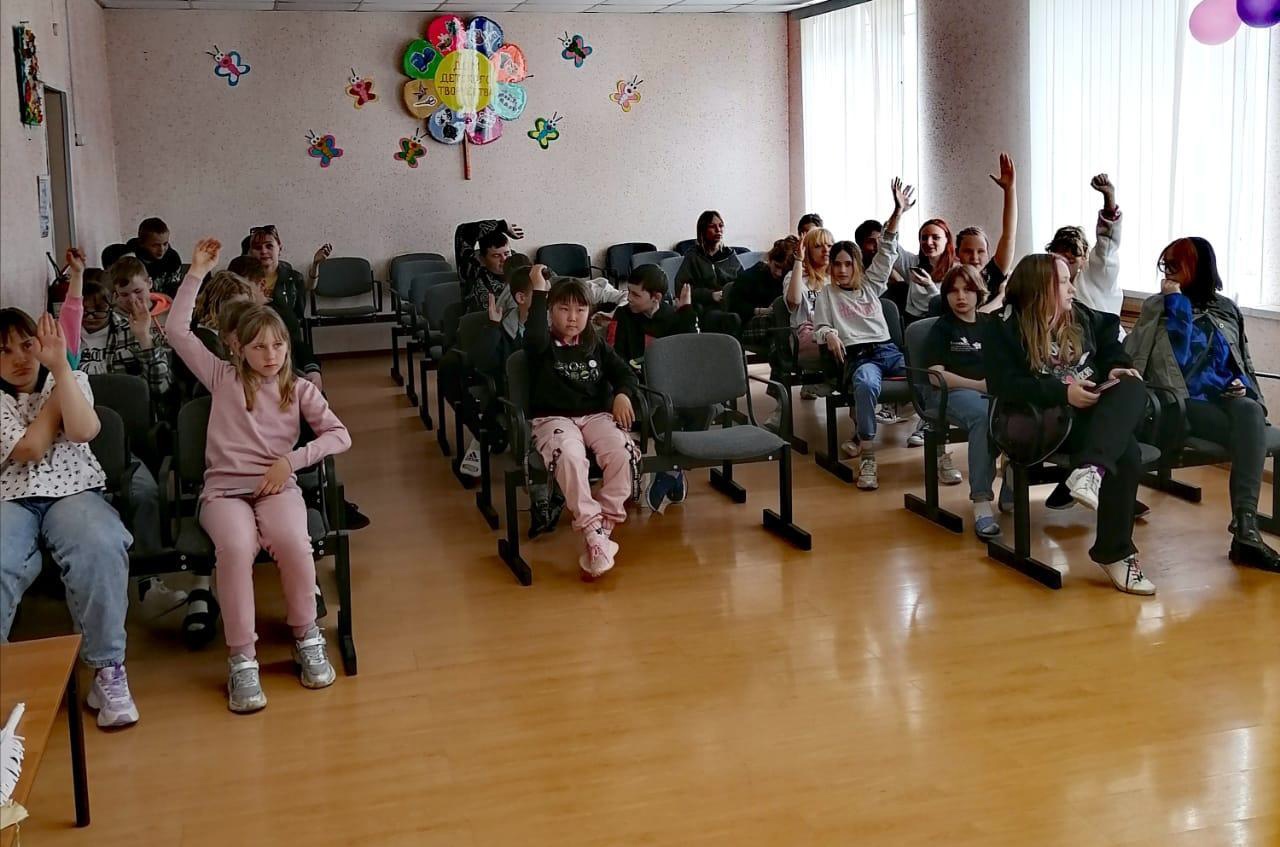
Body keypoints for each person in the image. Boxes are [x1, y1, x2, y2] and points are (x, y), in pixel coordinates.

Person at [167, 238, 353, 713]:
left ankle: (306, 634)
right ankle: (242, 657)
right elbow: (177, 331)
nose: (271, 354)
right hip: (225, 493)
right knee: (235, 548)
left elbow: (339, 436)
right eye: (259, 346)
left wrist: (292, 460)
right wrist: (196, 272)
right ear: (237, 347)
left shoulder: (299, 388)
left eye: (278, 345)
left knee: (293, 541)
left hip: (277, 486)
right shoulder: (221, 377)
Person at [984, 254, 1155, 595]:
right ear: (1040, 287)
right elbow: (1004, 385)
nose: (1072, 289)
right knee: (1127, 454)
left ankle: (1091, 469)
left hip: (1091, 414)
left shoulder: (1082, 317)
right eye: (1063, 282)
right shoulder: (1001, 327)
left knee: (1132, 384)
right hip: (1041, 419)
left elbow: (1111, 347)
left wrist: (1116, 366)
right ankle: (1114, 551)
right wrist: (1063, 393)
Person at [1, 309, 140, 728]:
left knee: (100, 544)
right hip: (10, 499)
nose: (20, 358)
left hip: (74, 493)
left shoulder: (70, 377)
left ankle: (108, 671)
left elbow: (82, 430)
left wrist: (61, 369)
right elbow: (28, 450)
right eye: (4, 352)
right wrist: (52, 407)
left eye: (27, 345)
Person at [1127, 237, 1279, 572]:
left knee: (1251, 410)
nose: (1167, 272)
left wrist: (1241, 384)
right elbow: (1174, 358)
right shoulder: (1159, 306)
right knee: (1250, 430)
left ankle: (1245, 526)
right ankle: (1247, 533)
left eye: (1174, 265)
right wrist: (1176, 303)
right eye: (1165, 265)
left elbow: (1241, 360)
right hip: (1180, 402)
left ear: (1198, 268)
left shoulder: (1226, 308)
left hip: (1225, 399)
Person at [57, 249, 180, 616]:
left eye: (101, 309)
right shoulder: (65, 341)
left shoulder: (130, 330)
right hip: (71, 443)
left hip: (123, 441)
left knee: (145, 494)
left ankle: (149, 582)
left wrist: (144, 340)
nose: (94, 316)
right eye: (87, 310)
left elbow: (161, 387)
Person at [525, 275, 642, 580]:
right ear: (550, 310)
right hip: (554, 419)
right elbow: (533, 334)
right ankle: (592, 531)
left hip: (595, 416)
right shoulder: (541, 344)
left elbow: (625, 374)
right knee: (569, 456)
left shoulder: (595, 343)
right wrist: (538, 290)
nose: (573, 318)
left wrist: (622, 394)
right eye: (564, 309)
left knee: (623, 452)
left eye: (580, 310)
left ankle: (603, 529)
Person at [1041, 174, 1146, 514]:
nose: (1066, 261)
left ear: (1084, 257)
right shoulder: (1043, 290)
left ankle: (1089, 477)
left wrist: (1109, 200)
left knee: (1127, 394)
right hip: (1065, 374)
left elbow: (1107, 246)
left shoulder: (1097, 277)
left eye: (1073, 255)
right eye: (1059, 254)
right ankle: (1092, 479)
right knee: (1118, 438)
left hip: (1103, 364)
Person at [811, 178, 914, 490]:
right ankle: (868, 455)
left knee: (929, 377)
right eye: (836, 265)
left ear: (856, 265)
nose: (841, 270)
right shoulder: (827, 295)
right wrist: (829, 333)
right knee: (866, 384)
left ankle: (937, 446)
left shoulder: (870, 285)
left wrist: (897, 212)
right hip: (859, 356)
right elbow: (819, 329)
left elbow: (887, 250)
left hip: (887, 350)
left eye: (847, 264)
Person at [609, 265, 699, 514]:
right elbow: (615, 359)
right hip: (636, 387)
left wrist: (686, 310)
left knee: (706, 407)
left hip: (670, 387)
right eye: (628, 292)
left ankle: (671, 470)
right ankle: (671, 469)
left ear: (656, 297)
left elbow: (691, 350)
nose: (629, 298)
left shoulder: (673, 317)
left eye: (635, 294)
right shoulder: (623, 315)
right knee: (662, 409)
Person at [922, 264, 1001, 538]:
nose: (960, 296)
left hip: (990, 393)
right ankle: (981, 500)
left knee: (1017, 411)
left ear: (979, 293)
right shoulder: (942, 328)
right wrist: (978, 385)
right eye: (953, 291)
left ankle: (1012, 481)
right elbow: (935, 376)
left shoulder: (991, 325)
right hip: (950, 394)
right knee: (984, 415)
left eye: (967, 289)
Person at [226, 256, 323, 386]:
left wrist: (313, 370)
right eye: (233, 289)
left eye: (243, 288)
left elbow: (298, 345)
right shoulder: (231, 314)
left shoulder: (280, 313)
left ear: (261, 285)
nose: (237, 295)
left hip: (283, 379)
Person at [954, 153, 1019, 308]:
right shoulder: (954, 283)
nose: (975, 257)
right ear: (957, 254)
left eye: (981, 251)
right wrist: (1002, 295)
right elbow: (976, 318)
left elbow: (1009, 236)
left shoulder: (992, 274)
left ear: (988, 253)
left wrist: (1010, 190)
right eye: (968, 251)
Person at [783, 225, 834, 409]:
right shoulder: (795, 276)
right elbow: (794, 301)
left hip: (832, 332)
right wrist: (799, 260)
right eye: (819, 246)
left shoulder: (836, 277)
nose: (826, 250)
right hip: (804, 335)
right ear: (808, 251)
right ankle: (834, 381)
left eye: (829, 245)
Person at [243, 226, 330, 329]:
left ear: (279, 248)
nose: (263, 251)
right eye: (258, 247)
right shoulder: (242, 279)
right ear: (250, 252)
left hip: (287, 333)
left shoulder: (294, 277)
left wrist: (316, 264)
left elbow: (309, 287)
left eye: (269, 246)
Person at [674, 210, 743, 314]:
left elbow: (743, 282)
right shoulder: (693, 257)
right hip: (704, 308)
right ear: (703, 231)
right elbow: (681, 289)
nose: (718, 230)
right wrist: (710, 295)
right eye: (712, 226)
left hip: (730, 304)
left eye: (721, 226)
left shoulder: (729, 256)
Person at [728, 236, 792, 337]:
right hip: (753, 321)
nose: (779, 273)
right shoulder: (750, 276)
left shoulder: (789, 278)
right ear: (770, 260)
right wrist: (762, 311)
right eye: (776, 266)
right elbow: (734, 305)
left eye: (783, 269)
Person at [456, 219, 522, 314]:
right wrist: (502, 225)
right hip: (479, 322)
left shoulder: (519, 272)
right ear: (482, 259)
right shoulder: (472, 272)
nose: (504, 259)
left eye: (507, 253)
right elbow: (463, 232)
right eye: (496, 256)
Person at [125, 217, 184, 295]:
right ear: (142, 243)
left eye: (165, 244)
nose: (161, 249)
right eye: (155, 245)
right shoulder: (130, 258)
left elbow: (175, 291)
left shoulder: (173, 259)